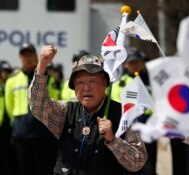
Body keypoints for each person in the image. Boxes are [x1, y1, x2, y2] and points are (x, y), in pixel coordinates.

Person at [28, 45, 148, 175]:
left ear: (104, 83)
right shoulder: (66, 112)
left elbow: (138, 162)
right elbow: (38, 106)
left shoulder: (124, 115)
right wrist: (42, 65)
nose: (86, 88)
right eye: (80, 83)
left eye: (92, 81)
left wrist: (113, 140)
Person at [5, 43, 58, 175]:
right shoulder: (12, 81)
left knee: (43, 168)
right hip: (21, 131)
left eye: (30, 54)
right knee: (24, 169)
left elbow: (54, 99)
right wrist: (16, 122)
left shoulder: (47, 77)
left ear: (36, 56)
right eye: (24, 55)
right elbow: (9, 105)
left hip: (42, 130)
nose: (27, 58)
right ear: (19, 58)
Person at [111, 47, 157, 175]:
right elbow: (118, 109)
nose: (135, 65)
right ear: (126, 65)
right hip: (129, 130)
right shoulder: (119, 84)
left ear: (142, 62)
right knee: (131, 164)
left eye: (137, 62)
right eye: (131, 63)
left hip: (149, 128)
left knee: (150, 164)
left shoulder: (152, 81)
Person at [0, 60, 15, 175]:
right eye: (3, 71)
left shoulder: (11, 86)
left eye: (8, 72)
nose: (5, 74)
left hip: (9, 126)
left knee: (8, 156)